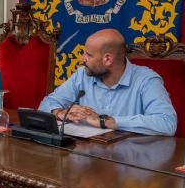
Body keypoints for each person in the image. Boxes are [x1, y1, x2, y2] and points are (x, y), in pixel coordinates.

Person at [38, 29, 176, 136]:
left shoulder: (147, 80)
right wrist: (60, 112)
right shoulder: (82, 75)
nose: (82, 59)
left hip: (129, 162)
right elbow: (46, 104)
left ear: (108, 59)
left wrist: (105, 121)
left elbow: (167, 124)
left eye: (88, 55)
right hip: (86, 157)